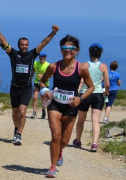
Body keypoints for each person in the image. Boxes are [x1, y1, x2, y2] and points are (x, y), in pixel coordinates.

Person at [0, 22, 59, 145]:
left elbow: (43, 43)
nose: (24, 46)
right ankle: (16, 128)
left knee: (22, 112)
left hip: (27, 88)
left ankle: (19, 135)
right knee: (15, 113)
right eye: (22, 45)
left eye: (26, 45)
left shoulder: (32, 54)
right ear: (18, 45)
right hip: (14, 88)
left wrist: (53, 33)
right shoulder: (13, 54)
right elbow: (4, 42)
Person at [39, 35, 94, 178]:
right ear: (61, 49)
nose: (67, 50)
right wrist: (44, 90)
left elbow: (91, 87)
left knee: (64, 140)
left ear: (77, 50)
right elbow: (42, 81)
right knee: (55, 136)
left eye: (71, 48)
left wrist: (80, 98)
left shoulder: (81, 68)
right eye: (65, 48)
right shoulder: (53, 66)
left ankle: (60, 151)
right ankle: (52, 167)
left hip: (71, 107)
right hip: (55, 104)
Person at [73, 43, 109, 152]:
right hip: (98, 94)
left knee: (81, 120)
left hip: (85, 94)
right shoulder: (103, 66)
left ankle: (78, 140)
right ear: (100, 53)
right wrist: (106, 92)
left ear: (89, 53)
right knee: (95, 121)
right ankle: (94, 144)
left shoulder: (83, 65)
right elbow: (107, 84)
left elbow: (78, 80)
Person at [31, 52, 51, 119]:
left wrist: (43, 76)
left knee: (44, 98)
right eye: (42, 57)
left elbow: (51, 75)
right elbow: (33, 70)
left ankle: (43, 110)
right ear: (39, 57)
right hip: (37, 81)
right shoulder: (35, 63)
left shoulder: (48, 65)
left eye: (44, 57)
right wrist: (31, 77)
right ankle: (34, 112)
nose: (43, 58)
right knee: (35, 97)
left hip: (45, 83)